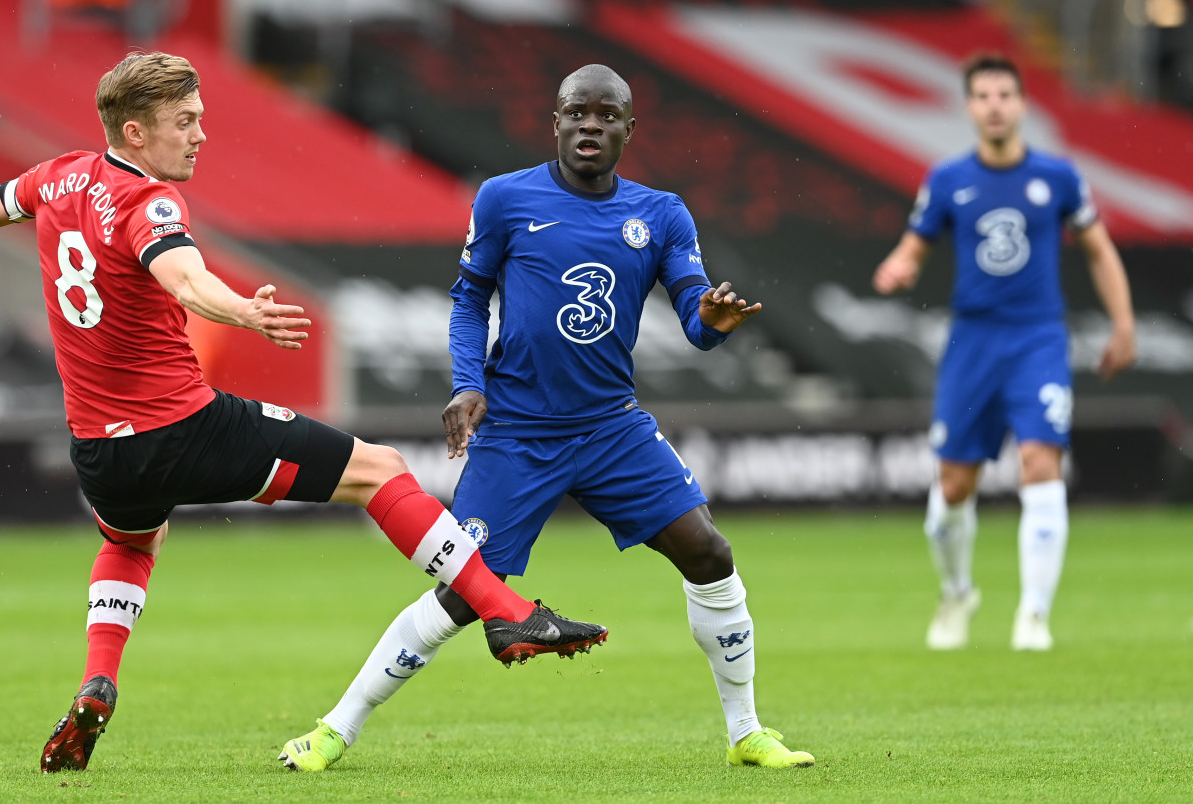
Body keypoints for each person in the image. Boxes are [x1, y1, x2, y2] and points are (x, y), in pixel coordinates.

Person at [0, 52, 607, 774]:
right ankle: (505, 613)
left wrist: (25, 210)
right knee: (378, 470)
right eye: (185, 122)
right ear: (135, 133)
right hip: (182, 429)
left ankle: (97, 681)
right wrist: (245, 313)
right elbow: (186, 278)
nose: (201, 134)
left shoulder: (59, 174)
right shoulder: (150, 203)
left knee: (133, 544)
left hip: (98, 450)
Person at [279, 63, 815, 773]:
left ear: (628, 128)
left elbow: (695, 313)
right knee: (464, 596)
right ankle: (335, 729)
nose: (590, 125)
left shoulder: (660, 214)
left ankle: (746, 731)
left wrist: (711, 320)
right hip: (517, 436)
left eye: (605, 115)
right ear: (555, 122)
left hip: (611, 430)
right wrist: (468, 384)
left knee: (710, 552)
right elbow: (469, 299)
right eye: (576, 113)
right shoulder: (505, 199)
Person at [873, 53, 1135, 651]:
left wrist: (1123, 323)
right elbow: (915, 246)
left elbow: (1099, 250)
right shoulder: (947, 179)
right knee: (953, 487)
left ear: (1021, 105)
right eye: (983, 96)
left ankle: (1034, 616)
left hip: (1039, 336)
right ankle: (959, 592)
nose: (994, 106)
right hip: (973, 340)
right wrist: (900, 266)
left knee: (1041, 462)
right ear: (969, 107)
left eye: (1005, 95)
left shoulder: (1060, 178)